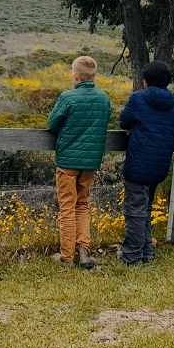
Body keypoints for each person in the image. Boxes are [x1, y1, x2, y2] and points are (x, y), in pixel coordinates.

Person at [46, 55, 112, 269]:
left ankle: (66, 257)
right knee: (82, 205)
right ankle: (84, 253)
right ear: (93, 76)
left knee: (67, 208)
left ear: (75, 76)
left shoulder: (68, 97)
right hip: (90, 161)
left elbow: (52, 124)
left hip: (67, 161)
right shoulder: (104, 98)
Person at [117, 60, 174, 266]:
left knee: (134, 209)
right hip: (160, 163)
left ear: (146, 81)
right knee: (146, 207)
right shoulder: (172, 102)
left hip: (139, 162)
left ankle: (133, 255)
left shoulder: (138, 98)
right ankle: (146, 250)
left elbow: (124, 120)